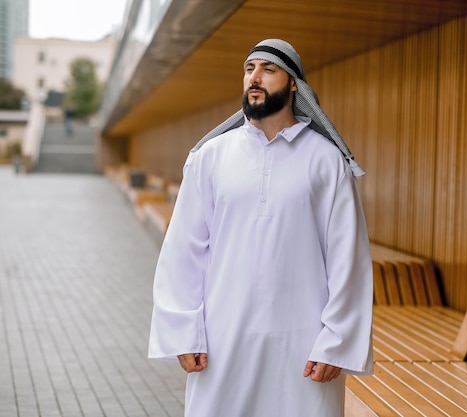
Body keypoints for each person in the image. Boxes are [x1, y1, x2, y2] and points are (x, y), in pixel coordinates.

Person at [148, 39, 373, 417]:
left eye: (269, 70)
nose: (255, 77)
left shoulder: (326, 160)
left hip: (302, 342)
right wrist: (184, 332)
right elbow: (183, 250)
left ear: (293, 85)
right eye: (249, 69)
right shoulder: (210, 157)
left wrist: (337, 342)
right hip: (223, 338)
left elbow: (347, 257)